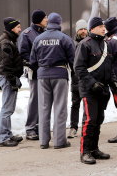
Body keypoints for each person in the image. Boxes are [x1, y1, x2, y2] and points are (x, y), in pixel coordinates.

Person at [74, 17, 117, 165]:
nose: (103, 28)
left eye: (103, 26)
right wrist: (92, 83)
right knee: (90, 120)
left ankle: (94, 149)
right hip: (89, 90)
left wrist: (113, 81)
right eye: (100, 26)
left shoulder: (107, 45)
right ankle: (85, 151)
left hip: (103, 90)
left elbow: (109, 67)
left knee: (99, 120)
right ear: (92, 28)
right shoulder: (84, 45)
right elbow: (78, 68)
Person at [30, 13, 75, 149]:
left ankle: (43, 141)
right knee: (60, 108)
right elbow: (73, 59)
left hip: (42, 75)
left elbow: (33, 60)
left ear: (48, 23)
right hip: (60, 75)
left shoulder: (39, 39)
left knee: (44, 108)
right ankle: (59, 141)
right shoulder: (64, 38)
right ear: (59, 24)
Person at [0, 17, 24, 147]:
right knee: (6, 108)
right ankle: (4, 138)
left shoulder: (9, 41)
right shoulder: (5, 43)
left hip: (8, 78)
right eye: (18, 27)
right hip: (7, 78)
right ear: (11, 28)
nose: (20, 29)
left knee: (9, 108)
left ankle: (8, 134)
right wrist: (13, 81)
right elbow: (5, 66)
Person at [18, 10, 47, 140]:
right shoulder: (27, 34)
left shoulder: (45, 33)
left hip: (45, 72)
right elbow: (23, 54)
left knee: (44, 100)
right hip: (34, 72)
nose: (47, 20)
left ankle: (39, 127)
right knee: (35, 99)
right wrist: (35, 64)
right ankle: (30, 129)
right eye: (45, 18)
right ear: (38, 20)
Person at [68, 19, 88, 139]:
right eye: (81, 29)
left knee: (87, 104)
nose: (83, 31)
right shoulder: (72, 44)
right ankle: (73, 128)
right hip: (76, 79)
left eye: (85, 29)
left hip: (87, 79)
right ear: (77, 30)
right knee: (75, 104)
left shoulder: (91, 42)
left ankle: (86, 126)